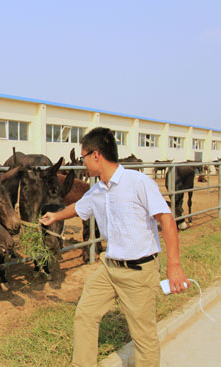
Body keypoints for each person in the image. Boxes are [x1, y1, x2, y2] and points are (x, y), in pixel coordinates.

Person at [40, 127, 188, 367]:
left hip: (139, 272)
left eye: (84, 156)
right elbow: (78, 208)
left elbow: (167, 220)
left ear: (96, 155)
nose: (83, 162)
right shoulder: (96, 190)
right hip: (109, 268)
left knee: (143, 337)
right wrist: (53, 217)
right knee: (85, 314)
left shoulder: (138, 183)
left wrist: (175, 267)